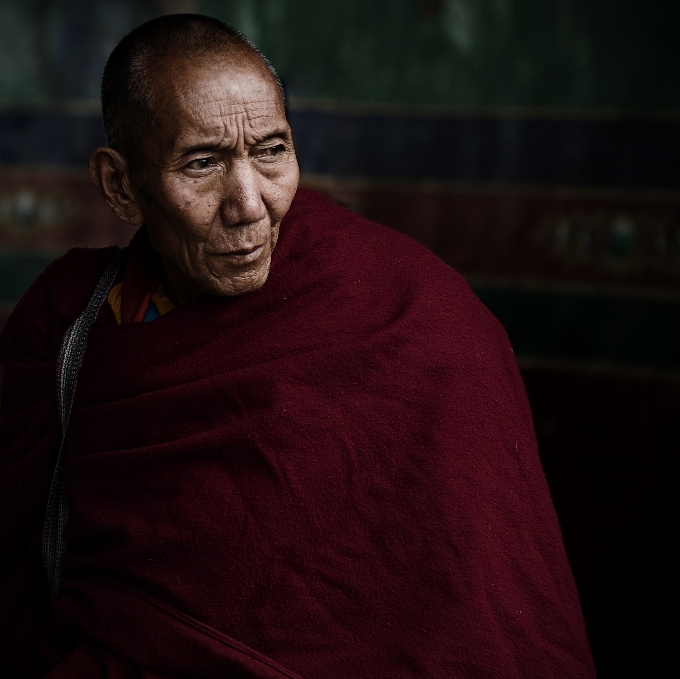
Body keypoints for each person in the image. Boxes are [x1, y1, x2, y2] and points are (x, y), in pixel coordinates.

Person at [0, 14, 595, 679]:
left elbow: (486, 612)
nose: (250, 204)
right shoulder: (69, 322)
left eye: (271, 150)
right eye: (202, 163)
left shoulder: (416, 315)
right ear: (120, 184)